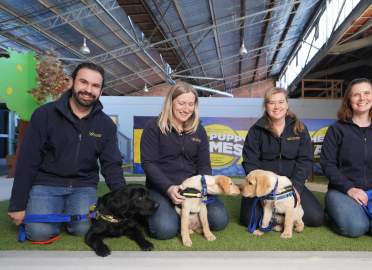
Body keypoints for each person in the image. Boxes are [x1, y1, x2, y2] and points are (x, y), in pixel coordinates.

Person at [8, 62, 126, 242]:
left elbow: (112, 165)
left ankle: (66, 212)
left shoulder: (106, 125)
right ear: (72, 82)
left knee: (83, 229)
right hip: (46, 184)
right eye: (83, 82)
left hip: (83, 187)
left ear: (101, 91)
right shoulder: (44, 115)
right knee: (39, 232)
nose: (88, 89)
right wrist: (17, 204)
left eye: (95, 86)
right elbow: (28, 161)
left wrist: (125, 199)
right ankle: (53, 211)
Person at [140, 81, 228, 240]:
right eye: (181, 103)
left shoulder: (199, 130)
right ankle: (162, 215)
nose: (186, 109)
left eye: (190, 104)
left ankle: (182, 215)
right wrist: (168, 188)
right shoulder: (153, 127)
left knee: (219, 220)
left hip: (193, 189)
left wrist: (201, 189)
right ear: (170, 103)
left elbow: (204, 165)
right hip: (162, 188)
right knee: (165, 230)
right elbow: (149, 163)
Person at [320, 78, 372, 239]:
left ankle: (362, 215)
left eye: (366, 93)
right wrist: (349, 188)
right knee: (355, 228)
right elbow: (327, 164)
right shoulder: (337, 129)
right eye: (356, 95)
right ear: (348, 100)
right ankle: (337, 213)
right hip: (343, 190)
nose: (362, 98)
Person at [240, 87, 324, 228]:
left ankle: (278, 217)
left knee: (316, 218)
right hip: (263, 186)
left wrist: (296, 187)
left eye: (281, 102)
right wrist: (262, 190)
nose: (277, 107)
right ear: (266, 106)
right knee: (248, 219)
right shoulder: (255, 131)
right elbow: (250, 162)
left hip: (290, 185)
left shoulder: (300, 129)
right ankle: (281, 218)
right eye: (272, 103)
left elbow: (305, 160)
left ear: (286, 104)